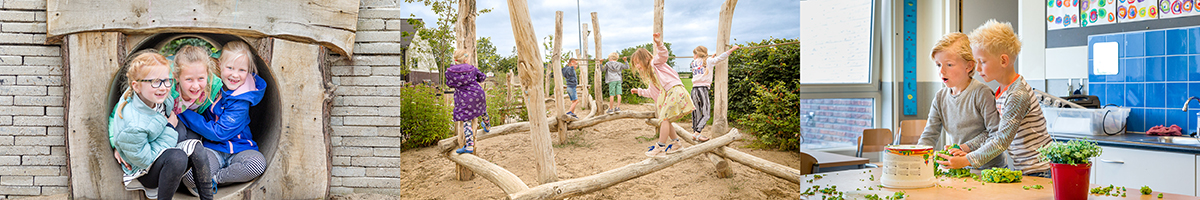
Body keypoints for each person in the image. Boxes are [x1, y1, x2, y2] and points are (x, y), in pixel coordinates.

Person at [936, 20, 1052, 177]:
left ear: (1003, 61)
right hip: (1028, 169)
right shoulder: (1002, 92)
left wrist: (966, 161)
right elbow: (993, 133)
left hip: (1041, 170)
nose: (977, 69)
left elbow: (1001, 142)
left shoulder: (1017, 95)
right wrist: (965, 149)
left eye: (982, 62)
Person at [179, 41, 268, 187]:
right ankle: (206, 179)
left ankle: (215, 179)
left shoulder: (242, 99)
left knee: (256, 165)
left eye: (242, 70)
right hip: (212, 149)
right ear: (220, 65)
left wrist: (183, 112)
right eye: (230, 68)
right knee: (190, 178)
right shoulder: (212, 85)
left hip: (240, 148)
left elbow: (219, 133)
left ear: (249, 71)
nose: (235, 75)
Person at [108, 49, 190, 200]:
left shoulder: (159, 93)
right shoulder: (130, 108)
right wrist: (117, 145)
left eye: (166, 80)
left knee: (185, 132)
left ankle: (179, 177)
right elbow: (115, 119)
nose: (163, 87)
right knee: (178, 156)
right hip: (146, 164)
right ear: (136, 86)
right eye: (155, 81)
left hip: (156, 136)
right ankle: (158, 184)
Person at [918, 32, 1005, 169]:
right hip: (960, 169)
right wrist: (917, 157)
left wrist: (965, 148)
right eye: (938, 65)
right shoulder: (940, 97)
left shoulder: (982, 93)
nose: (942, 71)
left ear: (969, 66)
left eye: (949, 65)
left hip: (988, 170)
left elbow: (995, 133)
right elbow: (930, 134)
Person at [170, 45, 224, 198]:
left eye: (201, 78)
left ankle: (201, 189)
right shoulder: (167, 86)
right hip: (170, 121)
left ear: (208, 74)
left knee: (196, 145)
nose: (195, 85)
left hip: (191, 121)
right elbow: (127, 103)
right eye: (188, 79)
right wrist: (116, 143)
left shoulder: (213, 87)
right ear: (177, 77)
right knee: (178, 136)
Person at [631, 33, 696, 157]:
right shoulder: (652, 75)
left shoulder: (655, 63)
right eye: (635, 64)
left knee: (664, 119)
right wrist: (638, 91)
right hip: (672, 92)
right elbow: (651, 92)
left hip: (675, 90)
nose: (638, 66)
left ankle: (660, 147)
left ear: (645, 59)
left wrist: (659, 43)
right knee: (666, 120)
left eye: (638, 62)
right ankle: (676, 143)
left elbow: (663, 54)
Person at [688, 45, 739, 142]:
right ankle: (697, 133)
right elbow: (720, 58)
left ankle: (696, 133)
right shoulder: (708, 62)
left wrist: (711, 58)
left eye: (694, 54)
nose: (693, 56)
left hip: (694, 90)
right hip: (702, 90)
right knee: (706, 114)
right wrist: (732, 50)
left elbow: (703, 67)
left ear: (697, 54)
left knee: (696, 112)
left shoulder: (693, 63)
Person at [445, 49, 489, 154]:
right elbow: (482, 77)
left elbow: (449, 84)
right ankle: (487, 125)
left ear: (455, 60)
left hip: (464, 99)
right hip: (478, 94)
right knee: (482, 109)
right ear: (466, 59)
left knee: (466, 120)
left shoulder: (450, 72)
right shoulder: (472, 69)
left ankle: (469, 145)